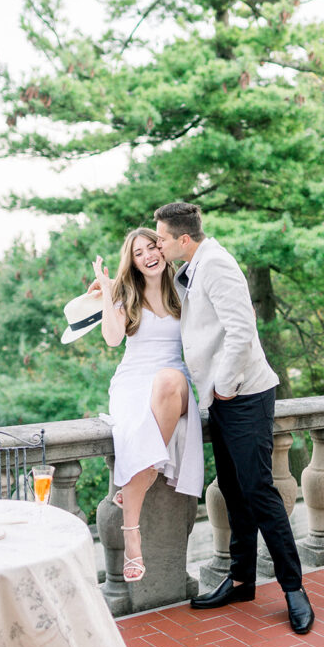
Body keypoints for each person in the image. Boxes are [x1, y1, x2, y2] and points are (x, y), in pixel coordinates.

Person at [154, 202, 315, 635]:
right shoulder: (190, 266)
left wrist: (224, 386)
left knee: (259, 491)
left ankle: (294, 589)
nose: (159, 244)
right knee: (232, 489)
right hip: (218, 399)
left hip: (244, 394)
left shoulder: (219, 264)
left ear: (183, 239)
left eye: (163, 238)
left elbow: (242, 329)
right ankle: (242, 580)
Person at [89, 227, 203, 583]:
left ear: (163, 249)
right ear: (133, 262)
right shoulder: (127, 295)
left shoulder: (183, 289)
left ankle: (136, 483)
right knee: (136, 427)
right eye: (139, 253)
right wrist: (108, 292)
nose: (148, 256)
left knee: (166, 380)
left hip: (174, 380)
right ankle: (132, 532)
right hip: (131, 381)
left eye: (152, 247)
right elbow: (111, 339)